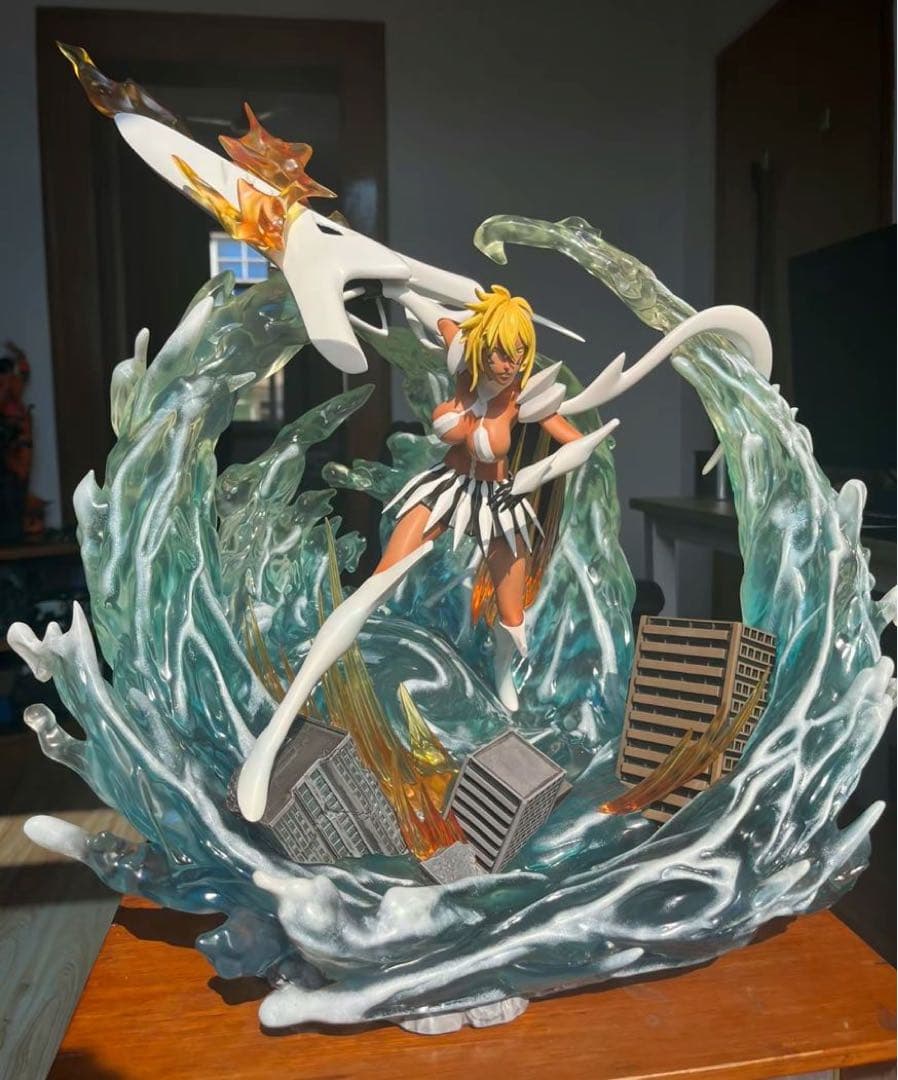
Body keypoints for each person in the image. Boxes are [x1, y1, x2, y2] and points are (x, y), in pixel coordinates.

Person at [236, 285, 617, 821]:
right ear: (482, 346)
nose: (507, 363)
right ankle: (281, 724)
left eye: (517, 352)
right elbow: (419, 302)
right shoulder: (463, 363)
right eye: (498, 351)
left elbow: (579, 443)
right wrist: (382, 281)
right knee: (377, 583)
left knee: (512, 618)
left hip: (498, 501)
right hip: (443, 489)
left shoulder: (524, 397)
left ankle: (503, 677)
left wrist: (537, 474)